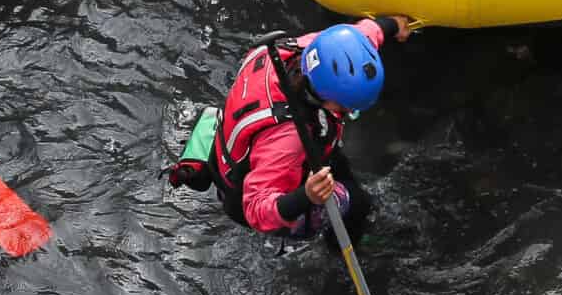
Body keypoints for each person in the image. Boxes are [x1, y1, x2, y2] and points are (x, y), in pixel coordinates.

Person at [166, 16, 416, 244]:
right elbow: (256, 209)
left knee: (339, 167)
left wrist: (393, 25)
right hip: (250, 198)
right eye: (345, 108)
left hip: (247, 153)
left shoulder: (306, 49)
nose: (347, 113)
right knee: (355, 203)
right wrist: (306, 196)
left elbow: (360, 36)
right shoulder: (290, 139)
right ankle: (340, 250)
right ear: (325, 95)